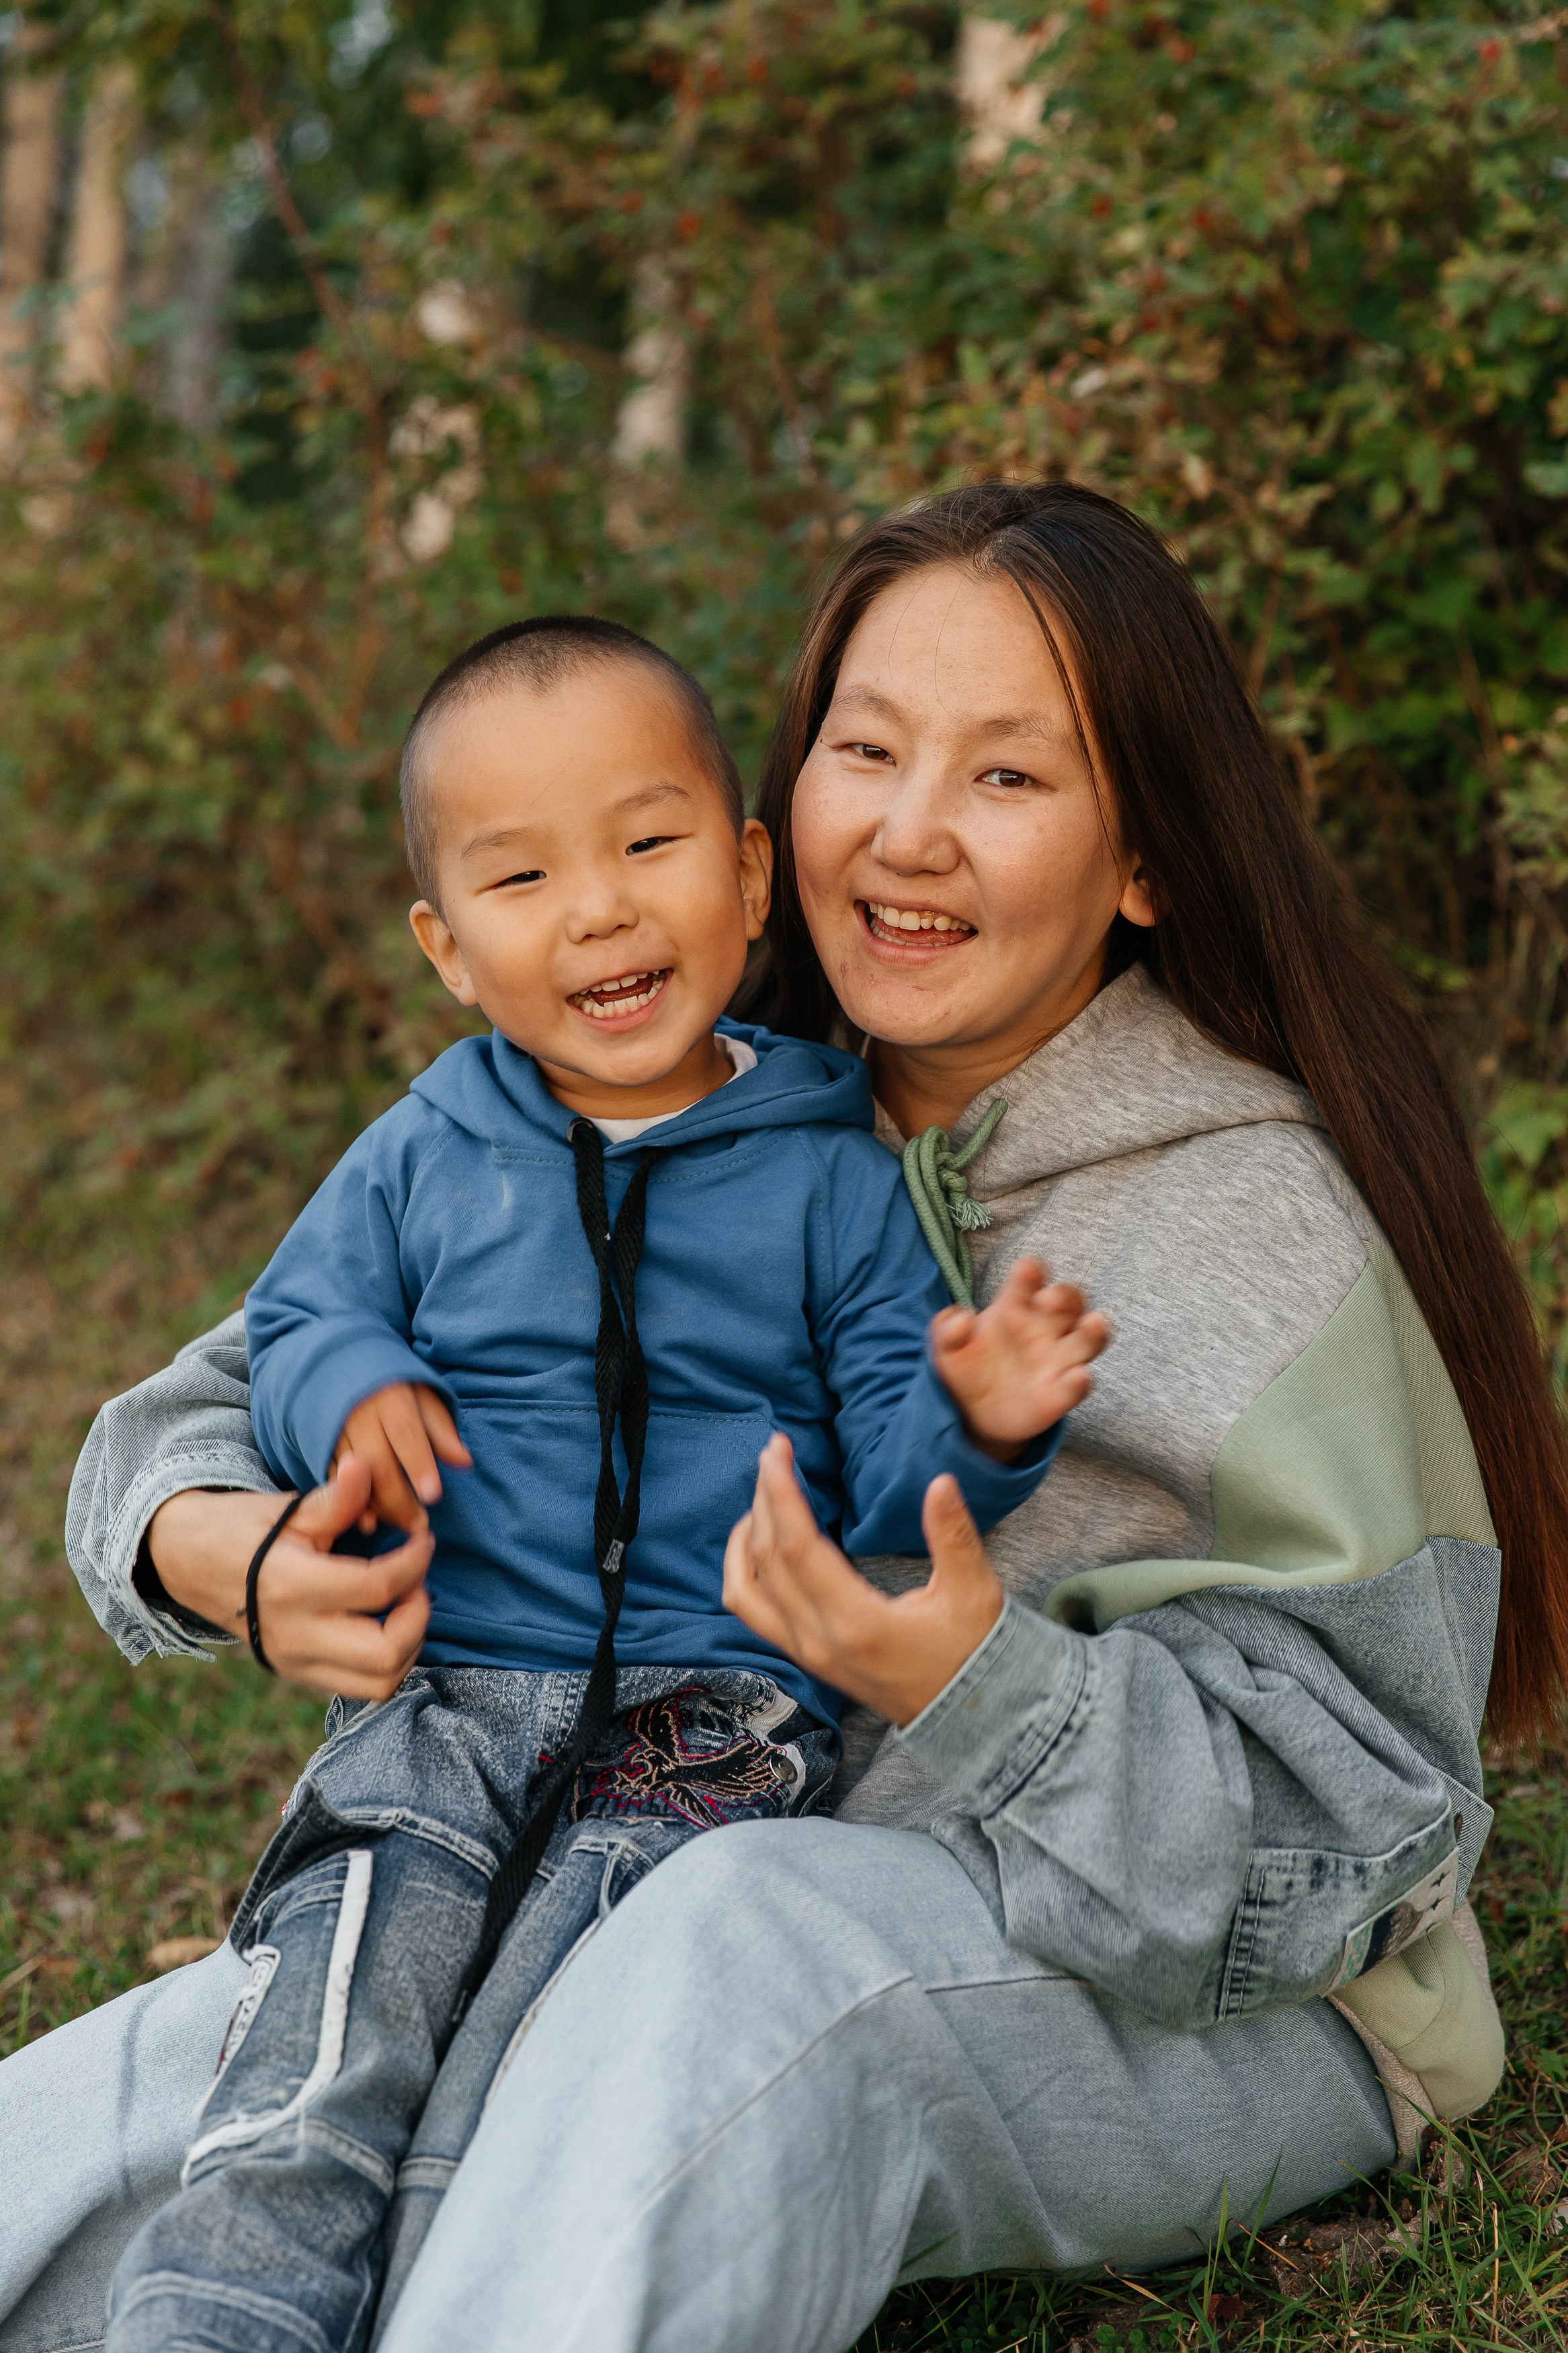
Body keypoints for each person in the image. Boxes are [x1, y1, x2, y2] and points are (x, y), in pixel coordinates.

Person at [5, 481, 1565, 2353]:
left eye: (1009, 776)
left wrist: (972, 1674)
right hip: (627, 1851)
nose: (912, 833)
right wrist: (227, 1547)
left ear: (1145, 854)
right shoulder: (700, 1104)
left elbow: (1358, 1846)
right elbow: (191, 1411)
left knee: (726, 1941)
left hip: (1210, 2003)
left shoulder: (1254, 1231)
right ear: (781, 807)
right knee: (290, 2016)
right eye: (869, 748)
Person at [101, 613, 1100, 2353]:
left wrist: (987, 1425)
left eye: (647, 845)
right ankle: (219, 2314)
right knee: (345, 2002)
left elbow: (886, 1481)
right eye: (523, 875)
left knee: (555, 2035)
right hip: (454, 1688)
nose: (600, 909)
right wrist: (360, 1387)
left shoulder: (827, 1168)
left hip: (715, 1717)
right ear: (447, 945)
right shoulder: (429, 1141)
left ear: (745, 869)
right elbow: (303, 1313)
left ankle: (463, 2298)